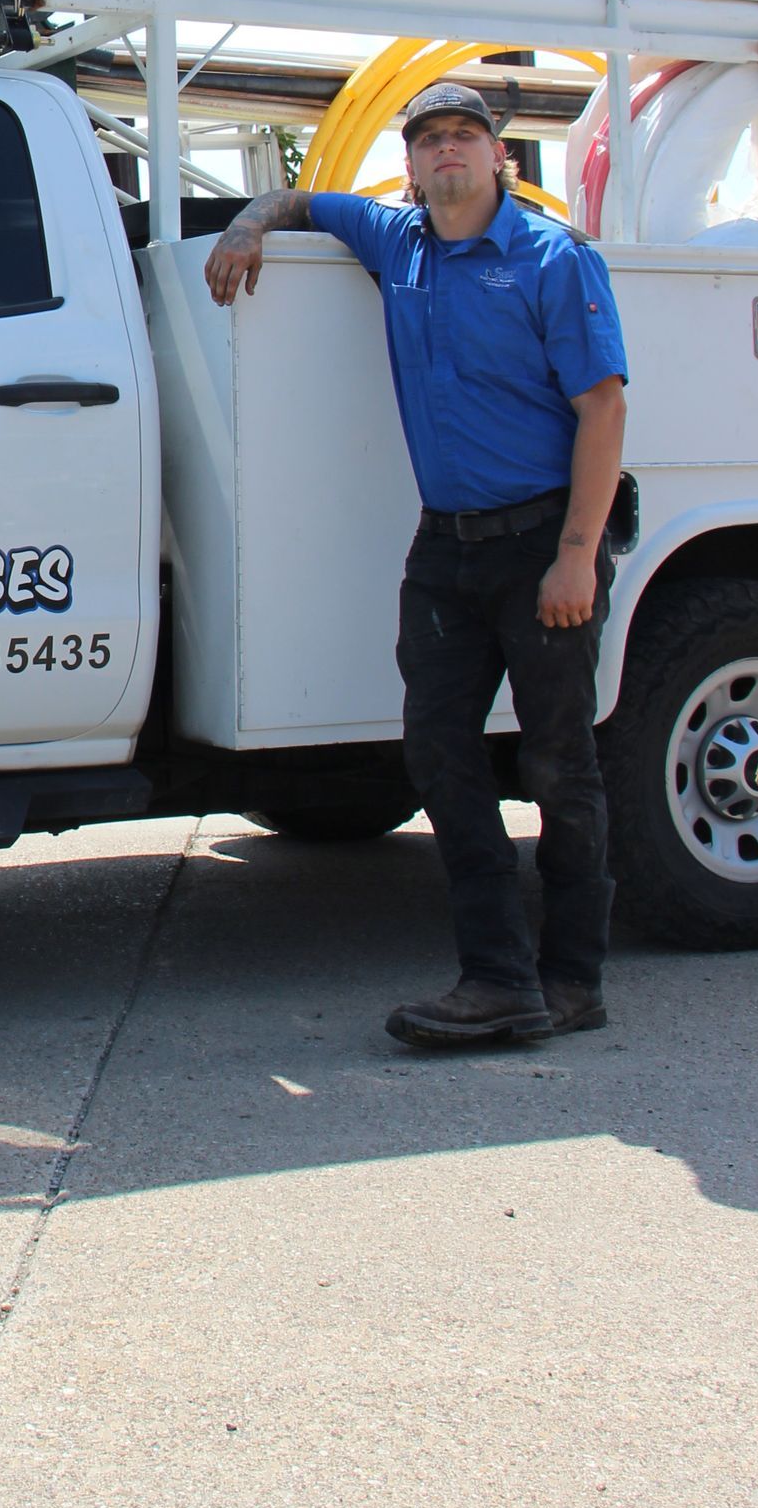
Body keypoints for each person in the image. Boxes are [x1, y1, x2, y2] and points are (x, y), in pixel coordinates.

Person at [204, 80, 628, 1049]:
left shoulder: (553, 259)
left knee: (561, 762)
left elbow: (603, 409)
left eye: (464, 137)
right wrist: (246, 224)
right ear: (411, 164)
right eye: (430, 139)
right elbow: (303, 202)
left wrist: (576, 559)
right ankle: (499, 977)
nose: (447, 153)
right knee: (439, 752)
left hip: (544, 541)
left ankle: (573, 979)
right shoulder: (397, 242)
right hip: (447, 547)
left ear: (499, 159)